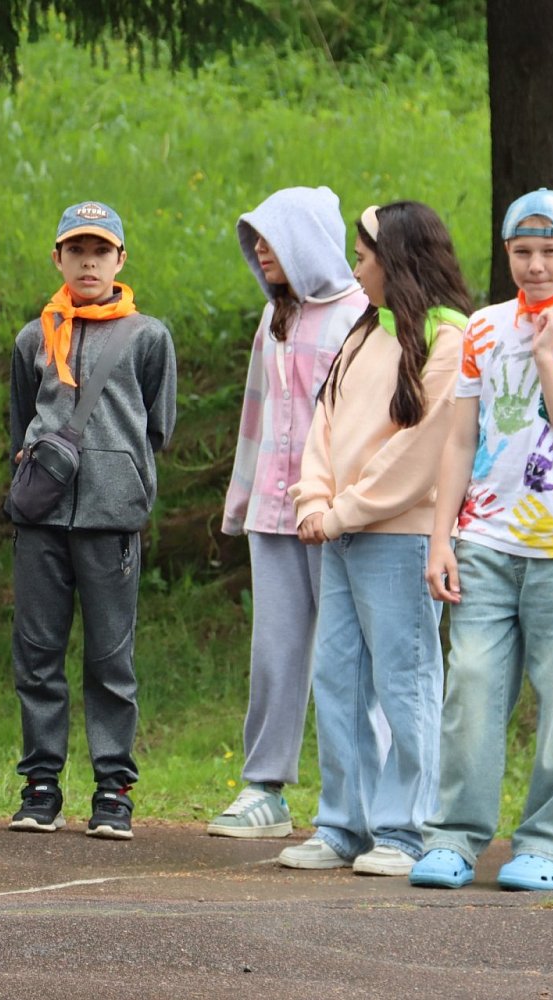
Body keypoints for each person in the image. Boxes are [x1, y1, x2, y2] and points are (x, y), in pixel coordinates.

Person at [410, 189, 553, 892]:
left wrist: (544, 362)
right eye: (523, 252)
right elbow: (460, 439)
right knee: (470, 692)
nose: (536, 266)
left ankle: (545, 844)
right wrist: (439, 539)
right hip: (484, 544)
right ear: (507, 254)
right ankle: (453, 836)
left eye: (550, 251)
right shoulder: (480, 328)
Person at [277, 201, 469, 877]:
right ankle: (343, 826)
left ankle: (408, 830)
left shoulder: (449, 339)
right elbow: (323, 426)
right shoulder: (363, 332)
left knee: (405, 683)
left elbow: (422, 451)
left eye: (365, 256)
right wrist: (316, 499)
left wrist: (342, 512)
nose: (357, 267)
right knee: (338, 680)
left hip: (399, 538)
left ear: (399, 261)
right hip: (342, 534)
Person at [6, 201, 177, 840]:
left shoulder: (148, 337)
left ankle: (113, 788)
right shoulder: (33, 338)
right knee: (38, 655)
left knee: (111, 659)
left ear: (120, 261)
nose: (87, 262)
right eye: (75, 251)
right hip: (43, 521)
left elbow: (157, 425)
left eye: (100, 251)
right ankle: (41, 784)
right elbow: (22, 417)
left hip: (113, 521)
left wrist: (118, 473)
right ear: (58, 258)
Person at [209, 187, 368, 839]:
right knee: (274, 653)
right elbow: (257, 411)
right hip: (272, 516)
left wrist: (346, 505)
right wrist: (241, 500)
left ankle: (358, 796)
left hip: (334, 518)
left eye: (271, 240)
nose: (261, 253)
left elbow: (367, 424)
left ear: (307, 240)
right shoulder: (273, 317)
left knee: (345, 655)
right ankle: (265, 789)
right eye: (256, 242)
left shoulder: (361, 316)